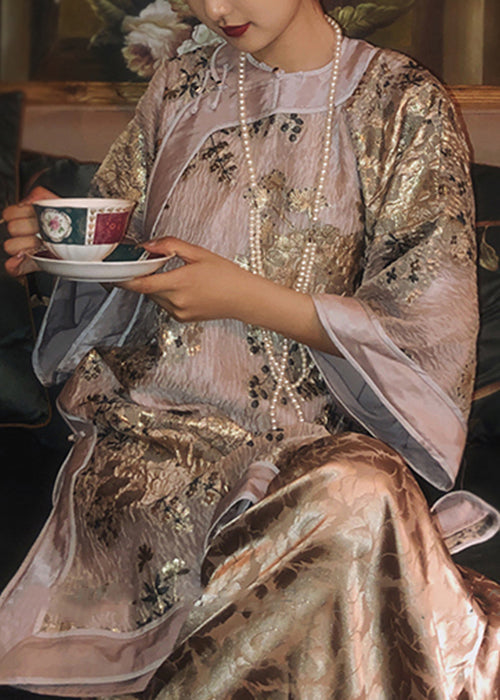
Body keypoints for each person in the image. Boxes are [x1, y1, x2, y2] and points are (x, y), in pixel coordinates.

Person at [2, 0, 500, 697]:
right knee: (353, 513)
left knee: (355, 492)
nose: (216, 8)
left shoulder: (401, 100)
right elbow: (122, 249)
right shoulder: (180, 86)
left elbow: (428, 321)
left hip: (315, 450)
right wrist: (57, 241)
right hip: (157, 447)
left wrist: (246, 298)